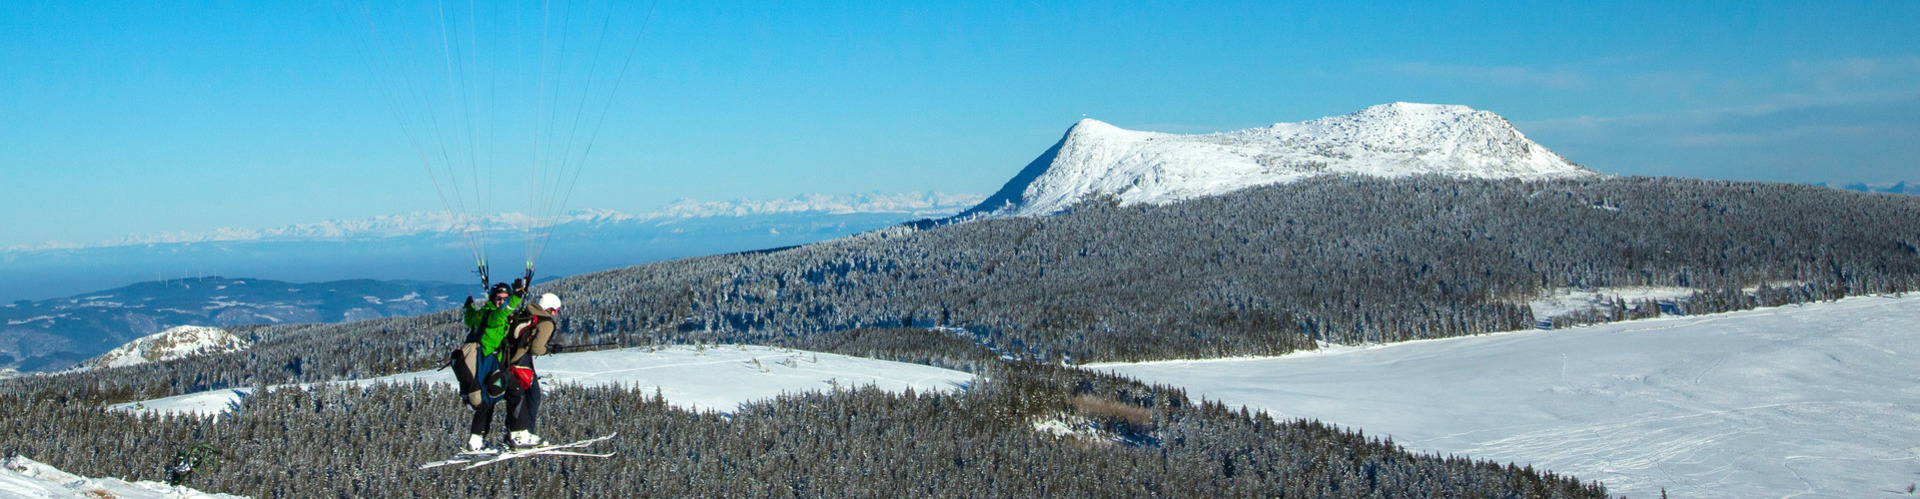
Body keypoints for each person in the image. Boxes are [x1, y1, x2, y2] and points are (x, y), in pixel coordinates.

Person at [452, 280, 523, 450]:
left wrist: (468, 307)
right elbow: (500, 315)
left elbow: (469, 319)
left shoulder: (482, 312)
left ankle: (476, 440)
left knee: (487, 397)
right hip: (487, 360)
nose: (502, 301)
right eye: (499, 298)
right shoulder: (494, 315)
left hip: (482, 359)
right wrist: (515, 298)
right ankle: (517, 433)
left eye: (505, 298)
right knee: (515, 390)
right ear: (493, 298)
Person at [488, 292, 560, 448]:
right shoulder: (545, 322)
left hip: (508, 359)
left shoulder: (526, 313)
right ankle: (524, 434)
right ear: (549, 308)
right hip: (522, 361)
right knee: (532, 396)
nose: (555, 314)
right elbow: (536, 348)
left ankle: (512, 433)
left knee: (516, 395)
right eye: (555, 310)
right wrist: (548, 349)